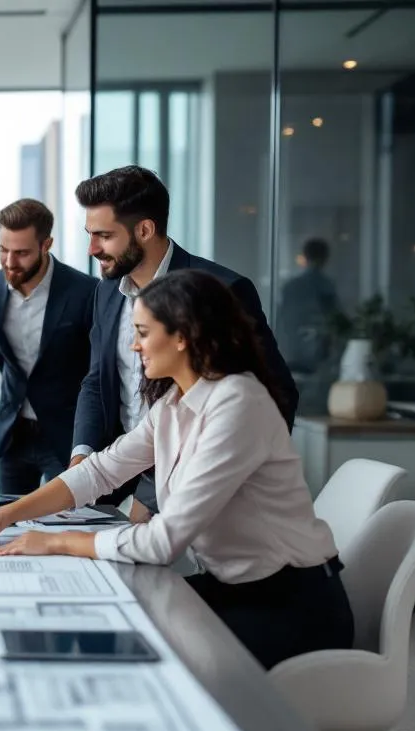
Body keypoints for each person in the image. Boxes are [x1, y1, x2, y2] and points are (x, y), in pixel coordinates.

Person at [0, 269, 353, 670]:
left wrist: (57, 542)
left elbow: (164, 541)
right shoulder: (172, 404)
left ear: (183, 337)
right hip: (233, 589)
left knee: (133, 648)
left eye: (143, 333)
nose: (135, 347)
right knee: (109, 620)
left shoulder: (239, 403)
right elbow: (98, 472)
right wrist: (4, 514)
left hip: (291, 607)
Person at [70, 165, 297, 518]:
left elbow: (277, 395)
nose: (91, 248)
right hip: (117, 474)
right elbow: (96, 380)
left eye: (103, 235)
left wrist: (168, 490)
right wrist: (82, 456)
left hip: (200, 490)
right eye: (89, 234)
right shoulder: (105, 293)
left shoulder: (221, 291)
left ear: (144, 229)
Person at [0, 199, 97, 495]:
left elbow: (95, 371)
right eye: (3, 250)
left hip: (65, 437)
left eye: (21, 253)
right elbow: (2, 357)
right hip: (12, 435)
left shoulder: (85, 292)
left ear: (46, 245)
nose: (9, 262)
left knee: (65, 527)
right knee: (7, 524)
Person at [277, 237, 340, 375]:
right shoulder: (326, 286)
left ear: (305, 256)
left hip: (289, 352)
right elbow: (335, 321)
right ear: (325, 258)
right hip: (316, 356)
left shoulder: (290, 286)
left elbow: (280, 319)